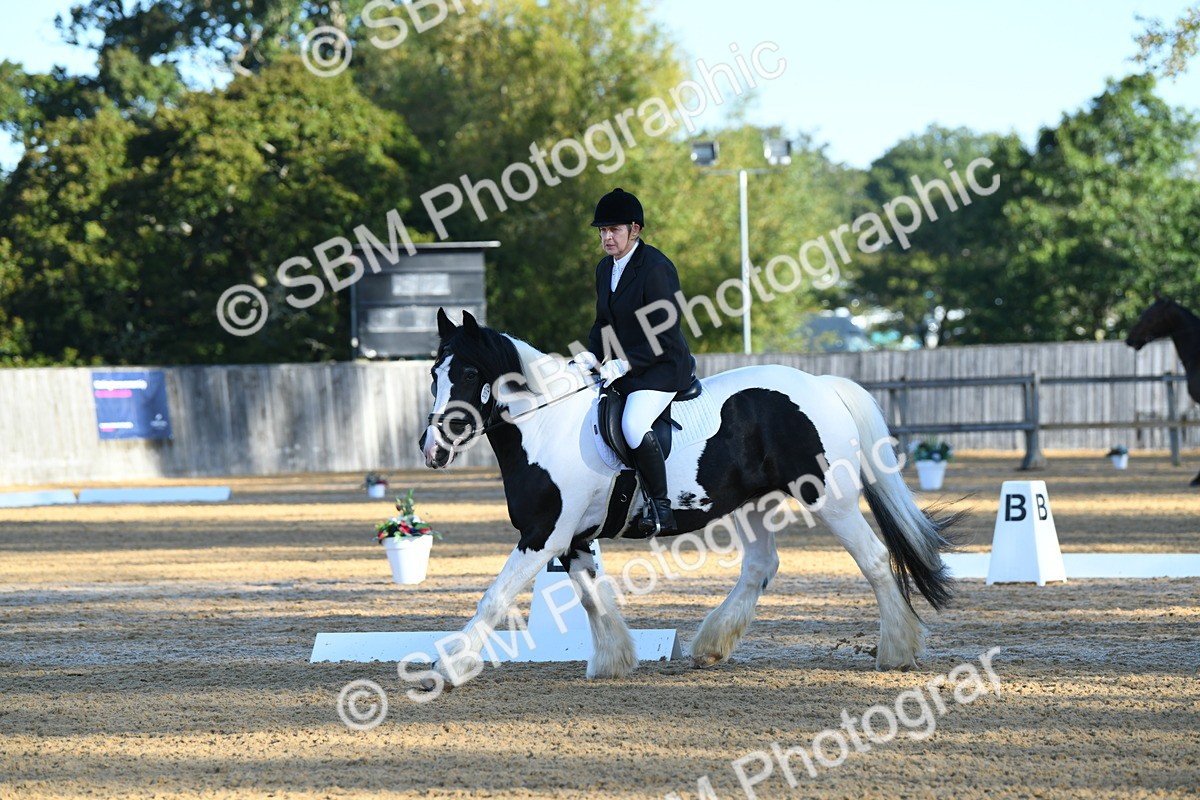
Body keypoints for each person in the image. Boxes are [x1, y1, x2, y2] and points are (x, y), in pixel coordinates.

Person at [572, 188, 694, 536]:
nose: (607, 237)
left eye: (614, 230)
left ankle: (661, 507)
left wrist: (625, 364)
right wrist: (592, 355)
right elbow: (603, 323)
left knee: (633, 424)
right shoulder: (604, 269)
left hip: (662, 368)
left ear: (635, 230)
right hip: (625, 368)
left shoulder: (656, 267)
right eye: (602, 231)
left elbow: (666, 333)